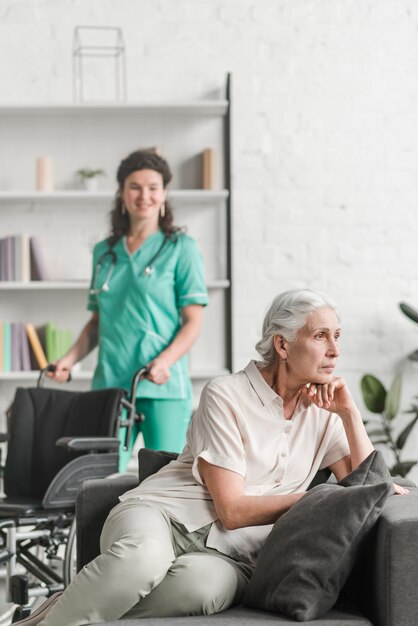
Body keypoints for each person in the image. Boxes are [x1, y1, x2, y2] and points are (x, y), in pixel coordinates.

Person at [20, 288, 408, 626]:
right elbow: (232, 511)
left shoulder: (325, 414)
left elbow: (370, 486)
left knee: (203, 591)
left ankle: (68, 607)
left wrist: (349, 413)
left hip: (233, 557)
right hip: (164, 513)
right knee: (140, 562)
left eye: (337, 336)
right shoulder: (225, 393)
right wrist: (315, 500)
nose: (335, 350)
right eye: (321, 336)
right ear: (283, 344)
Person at [48, 150, 208, 465]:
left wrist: (164, 362)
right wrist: (67, 361)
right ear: (122, 193)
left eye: (153, 187)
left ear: (164, 194)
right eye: (135, 186)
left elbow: (193, 322)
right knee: (99, 478)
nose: (144, 195)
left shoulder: (181, 249)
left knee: (165, 479)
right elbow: (97, 323)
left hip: (161, 385)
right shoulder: (104, 253)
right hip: (111, 386)